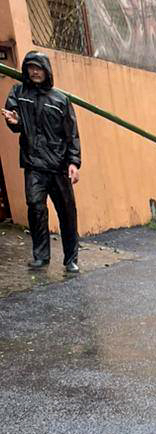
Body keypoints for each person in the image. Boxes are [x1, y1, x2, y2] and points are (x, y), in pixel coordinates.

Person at [3, 51, 81, 273]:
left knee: (67, 212)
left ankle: (71, 258)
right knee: (36, 209)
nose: (35, 72)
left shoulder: (60, 100)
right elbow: (15, 120)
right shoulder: (19, 92)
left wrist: (73, 162)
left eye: (39, 68)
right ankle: (41, 256)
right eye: (31, 67)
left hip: (58, 166)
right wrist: (14, 121)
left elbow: (72, 134)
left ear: (47, 71)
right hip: (33, 165)